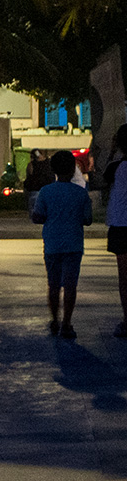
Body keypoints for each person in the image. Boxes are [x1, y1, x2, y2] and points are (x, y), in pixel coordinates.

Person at [32, 150, 93, 339]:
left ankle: (54, 320)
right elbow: (88, 219)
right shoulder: (81, 193)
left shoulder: (46, 192)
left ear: (54, 170)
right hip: (74, 244)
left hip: (52, 244)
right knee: (70, 285)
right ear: (73, 169)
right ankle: (67, 323)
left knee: (53, 285)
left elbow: (38, 216)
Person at [104, 124, 127, 337]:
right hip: (120, 223)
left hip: (121, 225)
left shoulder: (115, 168)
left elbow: (101, 178)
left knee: (124, 277)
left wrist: (112, 151)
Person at [23, 148, 55, 217]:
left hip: (35, 190)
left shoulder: (32, 165)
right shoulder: (49, 164)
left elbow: (29, 175)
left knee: (34, 212)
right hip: (47, 190)